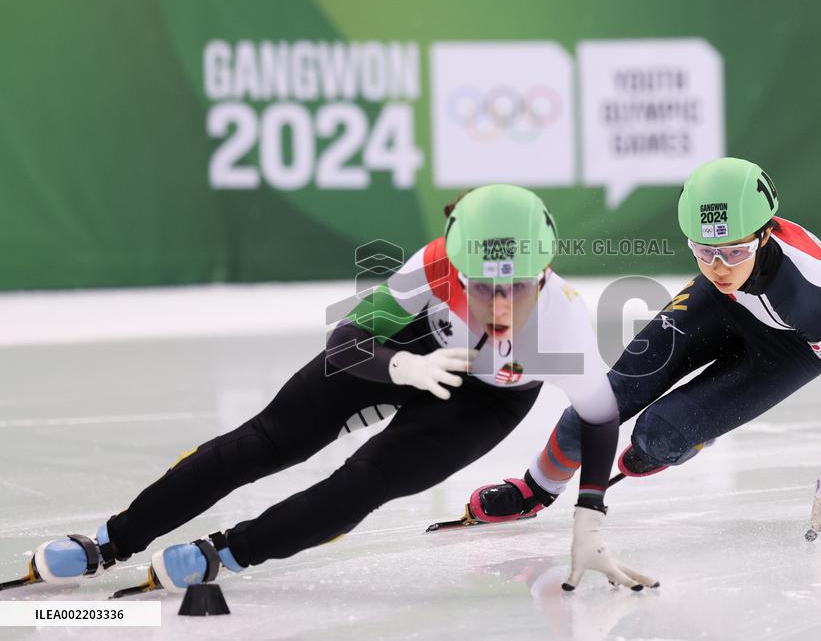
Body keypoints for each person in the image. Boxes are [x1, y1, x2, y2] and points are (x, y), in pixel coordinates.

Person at [16, 184, 658, 595]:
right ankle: (110, 541)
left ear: (543, 273)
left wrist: (589, 515)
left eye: (516, 286)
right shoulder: (434, 265)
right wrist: (400, 369)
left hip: (488, 397)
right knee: (262, 442)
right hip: (405, 352)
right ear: (455, 265)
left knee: (365, 481)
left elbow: (600, 418)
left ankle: (229, 554)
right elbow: (346, 341)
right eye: (480, 285)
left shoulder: (562, 323)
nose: (497, 302)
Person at [468, 158, 821, 544]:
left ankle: (685, 439)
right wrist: (725, 259)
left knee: (655, 437)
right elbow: (724, 265)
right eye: (703, 252)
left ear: (764, 236)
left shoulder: (808, 302)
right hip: (725, 304)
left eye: (734, 252)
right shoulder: (725, 272)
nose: (719, 267)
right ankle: (535, 489)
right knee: (603, 400)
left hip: (789, 346)